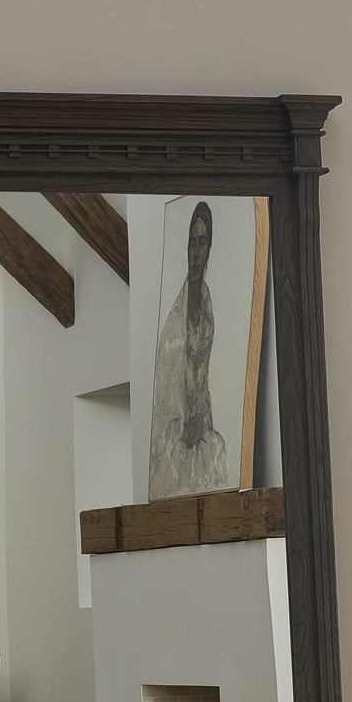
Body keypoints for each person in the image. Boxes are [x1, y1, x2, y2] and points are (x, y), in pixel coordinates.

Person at [148, 201, 229, 499]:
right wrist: (184, 422)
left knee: (216, 451)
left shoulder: (207, 305)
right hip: (176, 426)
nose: (196, 252)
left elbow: (202, 374)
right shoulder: (174, 318)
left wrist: (200, 420)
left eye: (202, 243)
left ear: (209, 250)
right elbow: (168, 376)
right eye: (192, 243)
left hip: (200, 421)